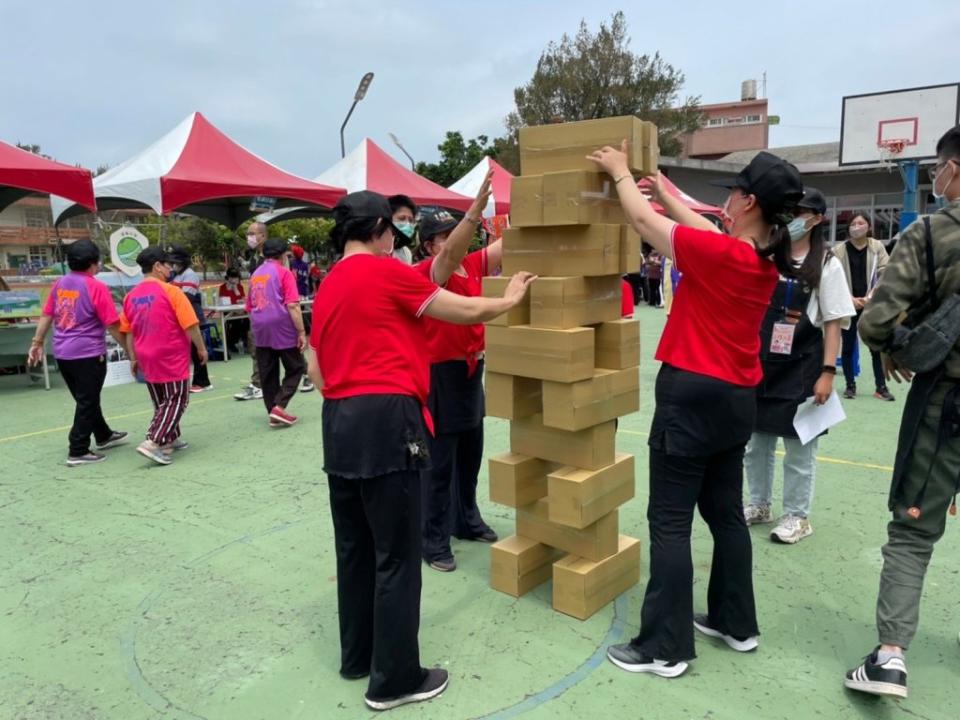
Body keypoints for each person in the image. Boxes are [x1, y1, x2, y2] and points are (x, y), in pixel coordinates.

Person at [306, 190, 534, 711]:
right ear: (381, 230)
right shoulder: (387, 273)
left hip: (339, 420)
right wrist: (509, 300)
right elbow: (461, 308)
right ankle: (396, 679)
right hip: (388, 418)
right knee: (397, 555)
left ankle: (358, 656)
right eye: (397, 230)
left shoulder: (329, 284)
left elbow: (316, 365)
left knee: (355, 549)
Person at [589, 146, 803, 678]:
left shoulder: (722, 255)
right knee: (724, 513)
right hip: (735, 402)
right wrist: (662, 189)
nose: (725, 202)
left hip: (691, 397)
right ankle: (736, 622)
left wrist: (619, 174)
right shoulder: (758, 258)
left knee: (669, 522)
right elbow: (699, 231)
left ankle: (664, 648)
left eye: (732, 193)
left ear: (749, 201)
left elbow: (642, 222)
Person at [845, 125, 960, 699]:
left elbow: (876, 319)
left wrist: (892, 347)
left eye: (937, 169)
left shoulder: (933, 232)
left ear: (952, 172)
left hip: (947, 403)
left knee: (913, 532)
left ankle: (890, 658)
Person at [743, 188, 856, 544]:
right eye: (792, 210)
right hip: (762, 361)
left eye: (804, 211)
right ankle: (759, 503)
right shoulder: (768, 255)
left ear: (818, 219)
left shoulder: (827, 263)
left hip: (804, 364)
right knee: (755, 443)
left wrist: (828, 372)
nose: (795, 217)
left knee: (798, 446)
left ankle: (797, 516)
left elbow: (834, 322)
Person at [413, 171, 500, 572]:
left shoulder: (473, 264)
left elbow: (506, 246)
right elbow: (448, 258)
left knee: (470, 454)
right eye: (446, 235)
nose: (456, 241)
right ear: (431, 244)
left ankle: (465, 519)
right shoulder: (432, 270)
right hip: (440, 375)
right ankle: (432, 540)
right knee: (440, 462)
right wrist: (473, 212)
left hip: (470, 373)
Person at [26, 239, 128, 466]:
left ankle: (103, 434)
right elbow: (112, 324)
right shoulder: (96, 287)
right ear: (94, 262)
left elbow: (47, 314)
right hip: (88, 354)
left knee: (86, 397)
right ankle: (78, 448)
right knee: (87, 400)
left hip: (63, 354)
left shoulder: (60, 283)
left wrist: (37, 341)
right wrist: (130, 351)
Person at [120, 246, 208, 466]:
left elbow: (128, 331)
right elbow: (191, 325)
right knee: (177, 397)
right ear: (157, 266)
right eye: (168, 265)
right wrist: (201, 348)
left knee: (161, 399)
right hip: (170, 352)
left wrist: (132, 357)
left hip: (145, 353)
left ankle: (170, 436)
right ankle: (154, 440)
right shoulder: (172, 291)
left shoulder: (130, 296)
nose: (171, 268)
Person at [833, 212, 894, 401]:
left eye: (861, 223)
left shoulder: (877, 247)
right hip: (848, 303)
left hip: (871, 304)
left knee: (875, 346)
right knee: (848, 346)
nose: (856, 226)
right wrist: (849, 298)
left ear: (868, 226)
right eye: (853, 223)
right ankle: (850, 386)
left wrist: (870, 297)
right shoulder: (838, 250)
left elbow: (885, 272)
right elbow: (834, 278)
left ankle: (881, 387)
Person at [246, 237, 307, 427]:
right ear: (283, 255)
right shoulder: (284, 272)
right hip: (281, 325)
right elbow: (293, 306)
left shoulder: (255, 274)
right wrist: (301, 331)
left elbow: (249, 306)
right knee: (296, 366)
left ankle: (272, 409)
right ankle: (279, 406)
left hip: (259, 326)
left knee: (267, 370)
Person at [168, 246, 212, 394]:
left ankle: (202, 381)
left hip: (193, 316)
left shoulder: (190, 275)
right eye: (173, 262)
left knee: (197, 349)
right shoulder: (175, 276)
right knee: (186, 350)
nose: (175, 265)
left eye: (177, 262)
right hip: (180, 317)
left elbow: (188, 297)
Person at [234, 221, 267, 401]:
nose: (249, 237)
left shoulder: (273, 256)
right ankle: (257, 384)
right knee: (256, 345)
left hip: (272, 310)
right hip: (257, 310)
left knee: (288, 350)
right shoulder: (254, 258)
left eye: (252, 233)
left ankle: (304, 373)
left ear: (262, 235)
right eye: (248, 234)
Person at [218, 268, 249, 353]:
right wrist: (229, 289)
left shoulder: (240, 287)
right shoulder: (223, 287)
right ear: (228, 278)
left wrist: (236, 290)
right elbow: (223, 301)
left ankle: (246, 342)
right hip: (228, 311)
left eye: (236, 278)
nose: (234, 280)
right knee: (236, 322)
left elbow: (242, 299)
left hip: (239, 311)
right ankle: (231, 343)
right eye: (232, 278)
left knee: (247, 321)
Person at [389, 194, 418, 264]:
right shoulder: (376, 249)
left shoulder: (406, 252)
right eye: (402, 218)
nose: (407, 224)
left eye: (411, 220)